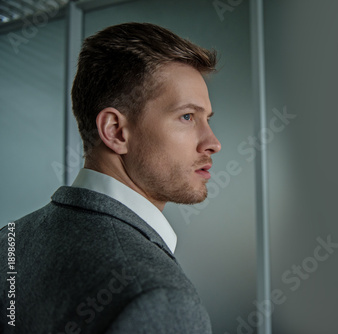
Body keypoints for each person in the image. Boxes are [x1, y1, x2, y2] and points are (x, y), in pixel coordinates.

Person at [0, 22, 221, 333]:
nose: (213, 142)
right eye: (187, 116)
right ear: (115, 131)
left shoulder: (8, 240)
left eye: (206, 119)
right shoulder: (160, 299)